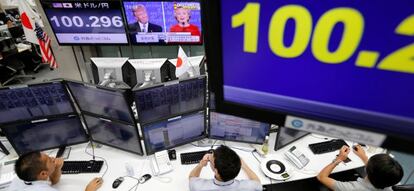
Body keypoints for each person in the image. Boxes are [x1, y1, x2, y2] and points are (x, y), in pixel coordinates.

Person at [317, 145, 404, 191]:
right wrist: (364, 157)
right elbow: (379, 172)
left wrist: (338, 159)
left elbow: (321, 177)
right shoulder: (393, 179)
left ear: (366, 170)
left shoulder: (353, 189)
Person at [8, 152, 103, 191]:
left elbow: (53, 181)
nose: (53, 158)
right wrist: (88, 189)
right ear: (43, 173)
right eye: (50, 160)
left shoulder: (24, 176)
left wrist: (57, 168)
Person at [189, 145, 262, 191]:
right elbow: (257, 182)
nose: (209, 156)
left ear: (216, 172)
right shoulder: (249, 187)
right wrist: (243, 165)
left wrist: (200, 165)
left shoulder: (198, 187)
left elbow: (192, 177)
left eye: (210, 160)